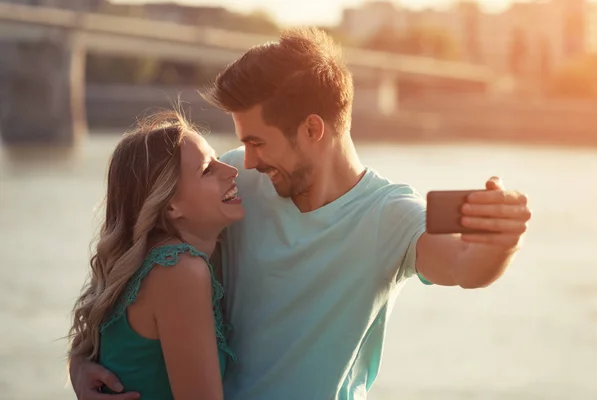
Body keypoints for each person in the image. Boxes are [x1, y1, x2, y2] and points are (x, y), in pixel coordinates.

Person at [68, 28, 532, 400]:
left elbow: (465, 266)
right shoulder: (233, 181)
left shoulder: (389, 215)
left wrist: (502, 241)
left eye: (257, 141)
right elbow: (132, 260)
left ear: (312, 129)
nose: (246, 160)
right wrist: (84, 360)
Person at [67, 110, 244, 400]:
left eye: (218, 159)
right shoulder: (179, 270)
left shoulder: (154, 264)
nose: (231, 171)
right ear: (172, 205)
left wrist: (77, 364)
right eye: (207, 170)